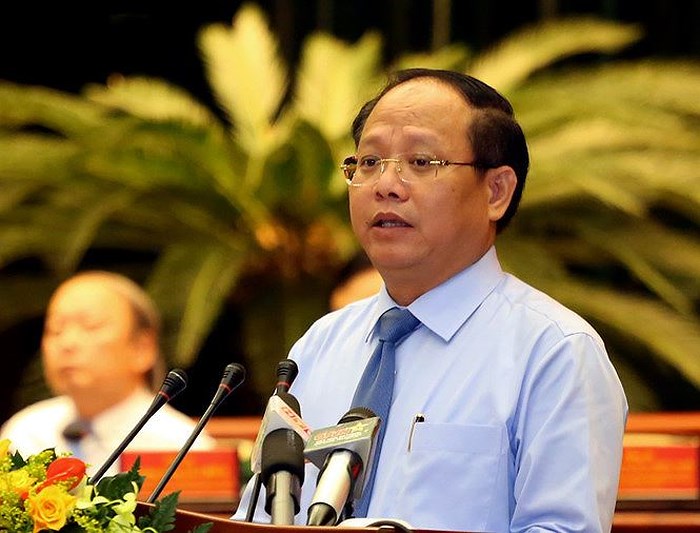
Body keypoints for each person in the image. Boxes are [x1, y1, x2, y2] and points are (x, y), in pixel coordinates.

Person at [234, 68, 628, 532]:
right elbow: (257, 517)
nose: (385, 184)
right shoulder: (320, 345)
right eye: (368, 162)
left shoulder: (555, 352)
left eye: (421, 162)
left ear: (496, 191)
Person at [0, 270, 215, 476]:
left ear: (142, 347)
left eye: (91, 326)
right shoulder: (27, 433)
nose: (67, 342)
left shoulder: (180, 446)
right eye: (55, 329)